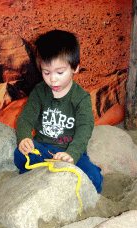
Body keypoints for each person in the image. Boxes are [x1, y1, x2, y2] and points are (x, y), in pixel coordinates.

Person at [14, 29, 103, 193]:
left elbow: (85, 128)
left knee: (93, 178)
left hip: (69, 152)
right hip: (43, 148)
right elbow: (25, 118)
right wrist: (24, 137)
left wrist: (72, 154)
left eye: (60, 72)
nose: (52, 78)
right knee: (19, 154)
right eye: (46, 72)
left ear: (75, 68)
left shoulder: (81, 97)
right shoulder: (40, 91)